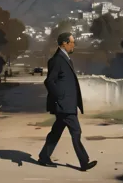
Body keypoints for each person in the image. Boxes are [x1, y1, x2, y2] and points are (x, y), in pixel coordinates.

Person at [38, 32, 97, 172]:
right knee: (76, 131)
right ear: (64, 43)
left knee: (56, 132)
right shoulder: (57, 60)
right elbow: (49, 81)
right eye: (72, 42)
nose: (73, 45)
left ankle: (44, 157)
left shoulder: (65, 58)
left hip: (67, 104)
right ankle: (84, 162)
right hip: (65, 105)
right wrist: (60, 96)